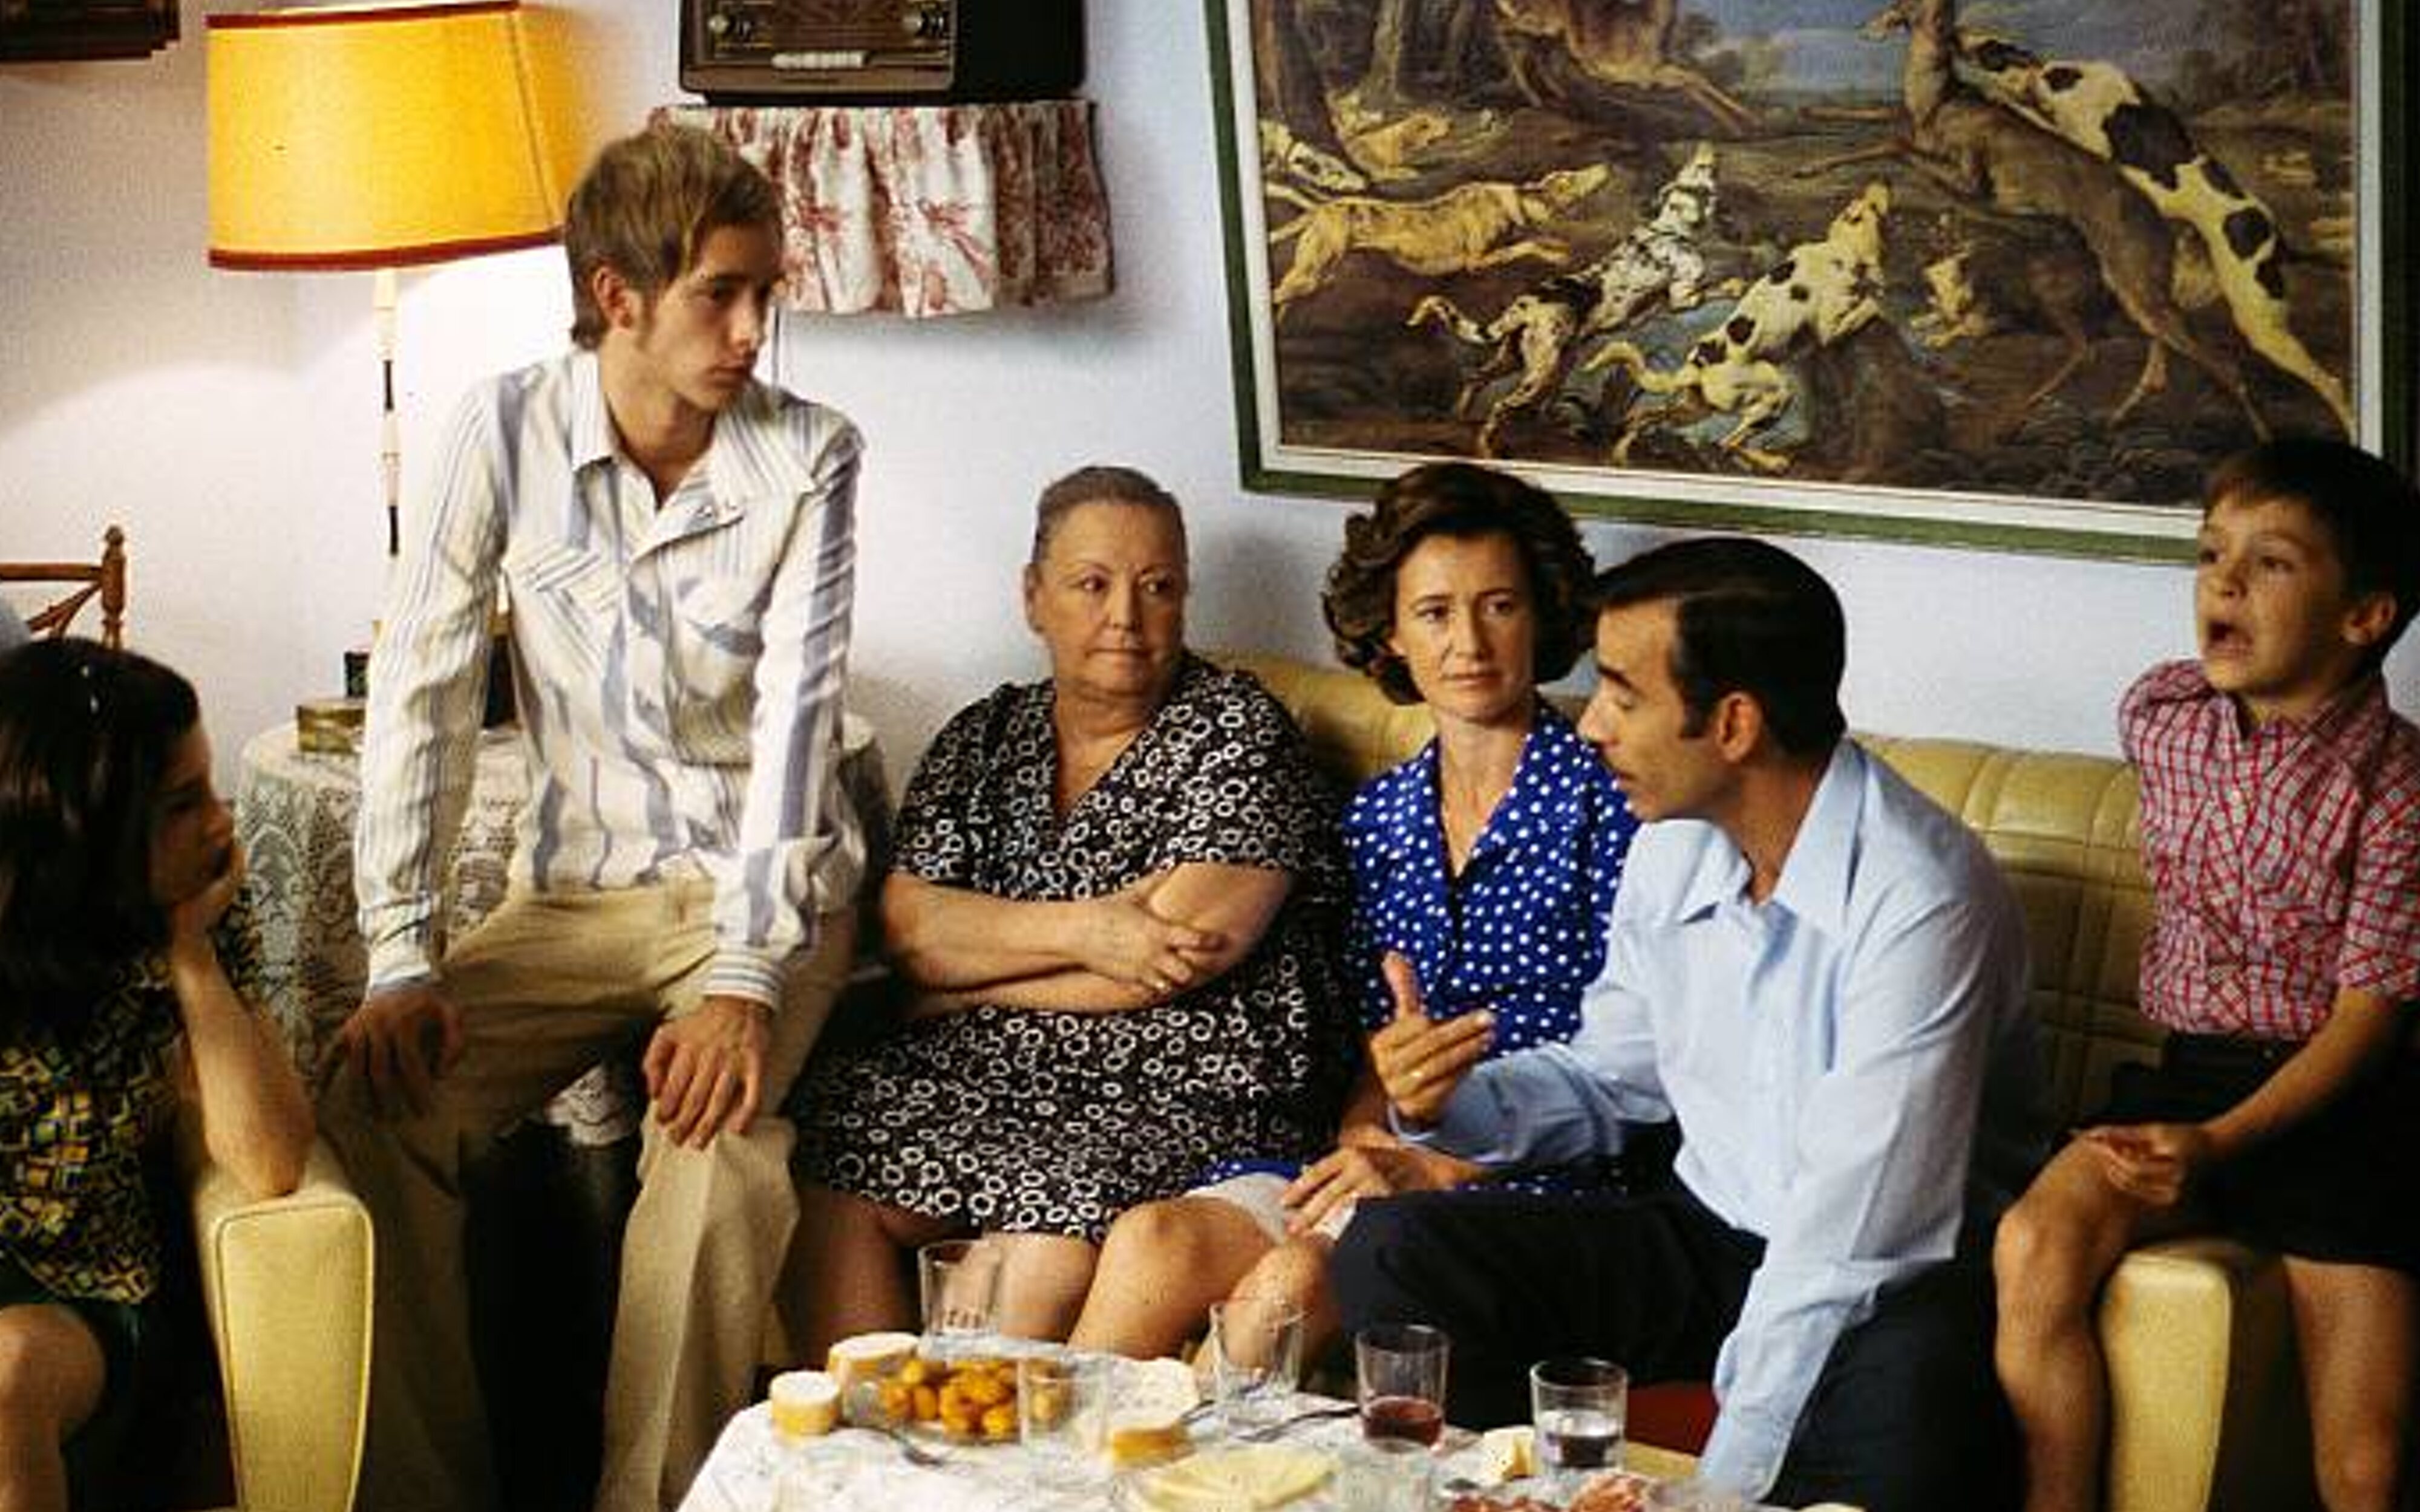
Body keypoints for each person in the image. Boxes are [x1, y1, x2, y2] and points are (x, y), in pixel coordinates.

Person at [322, 123, 866, 1512]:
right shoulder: (495, 429)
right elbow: (424, 692)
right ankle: (423, 1496)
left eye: (764, 293)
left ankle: (653, 1500)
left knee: (718, 1156)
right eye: (718, 294)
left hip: (760, 893)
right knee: (376, 1105)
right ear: (616, 294)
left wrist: (743, 978)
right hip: (575, 893)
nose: (750, 331)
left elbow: (800, 721)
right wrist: (401, 953)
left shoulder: (811, 454)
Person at [1330, 537, 2044, 1512]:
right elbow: (1611, 1080)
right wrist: (1451, 1103)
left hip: (1894, 1282)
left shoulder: (1922, 899)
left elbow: (1849, 1245)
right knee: (1392, 1248)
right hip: (1709, 1233)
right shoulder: (1673, 846)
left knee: (1910, 1406)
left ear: (1734, 724)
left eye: (1623, 695)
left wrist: (1717, 1490)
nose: (1592, 727)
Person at [1068, 461, 1636, 1363]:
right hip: (1376, 1155)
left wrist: (1428, 1167)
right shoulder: (1375, 819)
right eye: (1435, 613)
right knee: (1154, 1240)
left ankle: (1179, 1457)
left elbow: (1638, 1080)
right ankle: (1068, 1456)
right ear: (1393, 634)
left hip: (1535, 1180)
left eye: (1499, 606)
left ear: (1542, 616)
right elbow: (1366, 1042)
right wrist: (1366, 1141)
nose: (1469, 643)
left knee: (1292, 1283)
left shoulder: (1616, 808)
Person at [786, 464, 1351, 1354]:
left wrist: (968, 984)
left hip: (1185, 1087)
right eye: (1092, 584)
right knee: (827, 1133)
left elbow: (1171, 962)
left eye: (1158, 588)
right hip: (985, 1078)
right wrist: (1091, 930)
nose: (1126, 616)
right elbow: (907, 928)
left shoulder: (1238, 733)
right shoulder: (984, 737)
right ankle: (864, 1430)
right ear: (1033, 597)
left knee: (1048, 1223)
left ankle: (976, 1427)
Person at [1994, 438, 2420, 1512]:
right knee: (2036, 1242)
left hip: (2346, 1107)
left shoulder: (2402, 786)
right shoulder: (2163, 717)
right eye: (2210, 554)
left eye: (2271, 563)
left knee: (2364, 1466)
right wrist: (2194, 1128)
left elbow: (2368, 1021)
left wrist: (2222, 1146)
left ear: (2364, 616)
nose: (2223, 583)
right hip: (2186, 1076)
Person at [0, 640, 314, 1512]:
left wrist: (191, 957)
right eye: (184, 803)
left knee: (6, 1380)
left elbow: (273, 1160)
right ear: (79, 826)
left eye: (210, 787)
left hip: (79, 1290)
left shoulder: (201, 912)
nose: (221, 822)